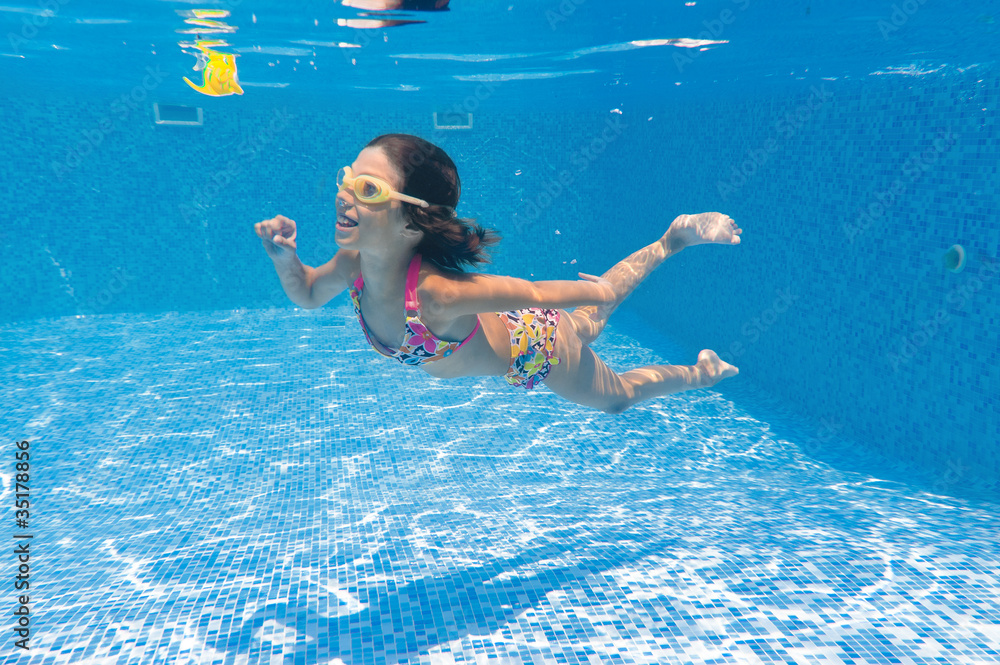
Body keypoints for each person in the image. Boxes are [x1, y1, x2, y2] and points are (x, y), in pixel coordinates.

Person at [255, 134, 741, 414]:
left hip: (536, 348)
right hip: (520, 334)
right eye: (347, 179)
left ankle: (703, 372)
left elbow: (531, 291)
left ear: (413, 220)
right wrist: (284, 261)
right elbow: (310, 292)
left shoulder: (434, 295)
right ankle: (670, 241)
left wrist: (601, 287)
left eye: (368, 189)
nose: (344, 194)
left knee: (615, 396)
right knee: (589, 322)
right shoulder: (353, 263)